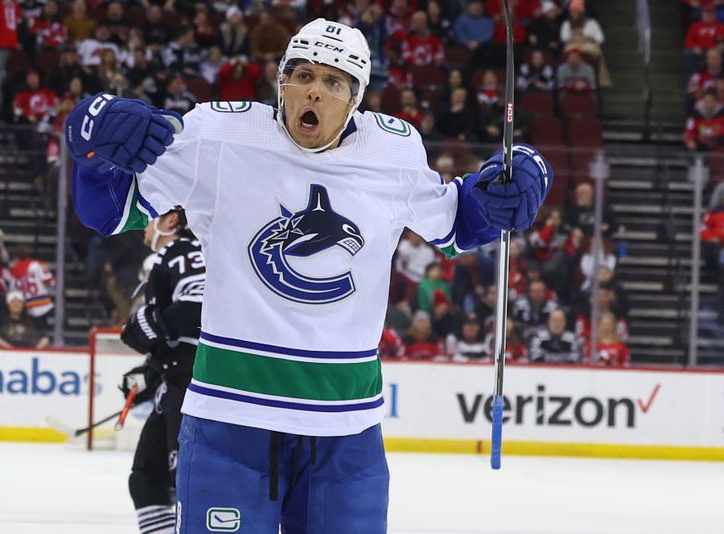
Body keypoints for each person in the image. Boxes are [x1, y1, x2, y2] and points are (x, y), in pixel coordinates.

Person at [64, 18, 553, 532]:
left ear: (355, 98)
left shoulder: (393, 152)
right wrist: (93, 150)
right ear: (282, 83)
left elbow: (458, 221)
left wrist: (517, 179)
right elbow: (110, 211)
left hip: (346, 437)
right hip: (230, 425)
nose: (313, 90)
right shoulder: (220, 135)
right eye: (301, 74)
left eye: (333, 81)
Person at [120, 208, 205, 534]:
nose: (142, 226)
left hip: (194, 387)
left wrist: (143, 326)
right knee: (146, 480)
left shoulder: (187, 249)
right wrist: (152, 371)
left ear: (171, 220)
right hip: (175, 381)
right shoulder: (176, 255)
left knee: (187, 483)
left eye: (148, 217)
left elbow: (198, 307)